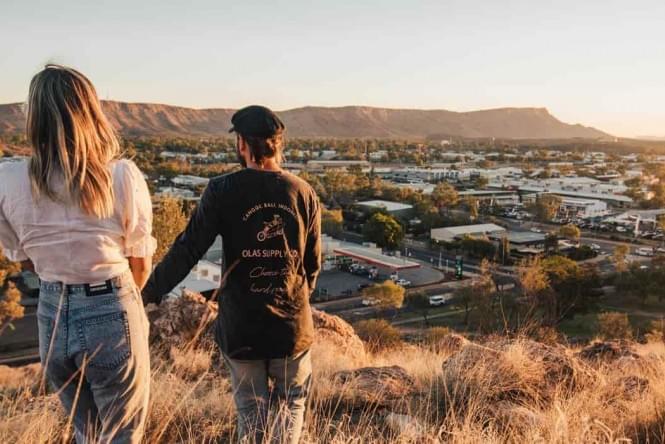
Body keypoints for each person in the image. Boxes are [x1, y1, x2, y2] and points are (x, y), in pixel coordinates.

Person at [142, 105, 321, 444]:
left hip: (242, 326)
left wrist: (149, 292)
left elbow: (187, 250)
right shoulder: (302, 192)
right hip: (291, 327)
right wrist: (295, 301)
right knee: (291, 405)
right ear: (278, 145)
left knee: (251, 410)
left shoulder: (222, 190)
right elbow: (312, 266)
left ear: (242, 144)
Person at [0, 65, 155, 443]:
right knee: (122, 435)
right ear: (89, 111)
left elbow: (22, 258)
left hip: (52, 312)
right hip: (111, 307)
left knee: (86, 433)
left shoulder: (9, 179)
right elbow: (141, 263)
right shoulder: (120, 176)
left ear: (33, 118)